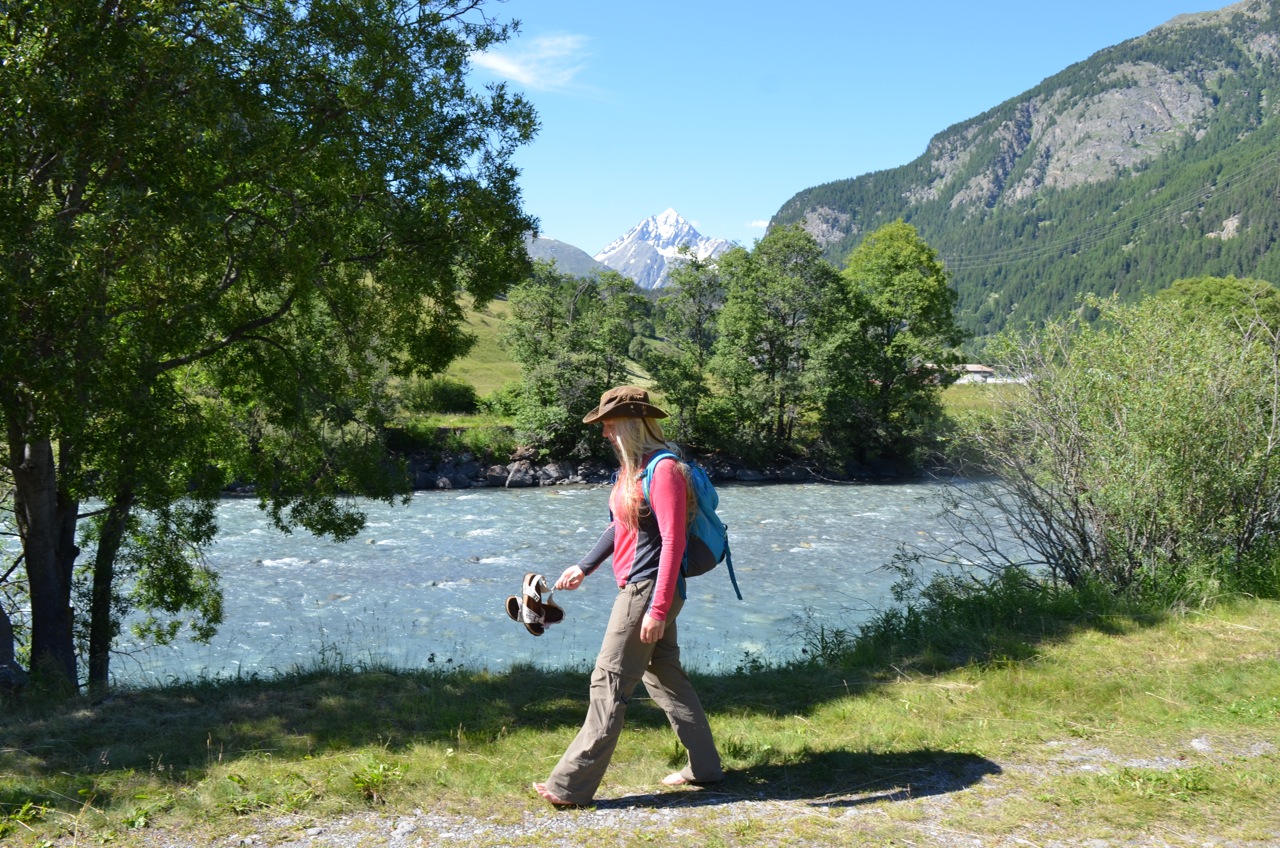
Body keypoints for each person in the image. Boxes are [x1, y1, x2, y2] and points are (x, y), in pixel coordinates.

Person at [533, 385, 724, 806]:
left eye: (609, 425)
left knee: (609, 679)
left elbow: (673, 542)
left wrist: (657, 608)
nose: (604, 433)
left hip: (648, 590)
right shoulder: (633, 470)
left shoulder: (665, 470)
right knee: (665, 676)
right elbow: (620, 526)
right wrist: (583, 566)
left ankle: (570, 786)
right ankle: (705, 767)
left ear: (632, 423)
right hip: (641, 588)